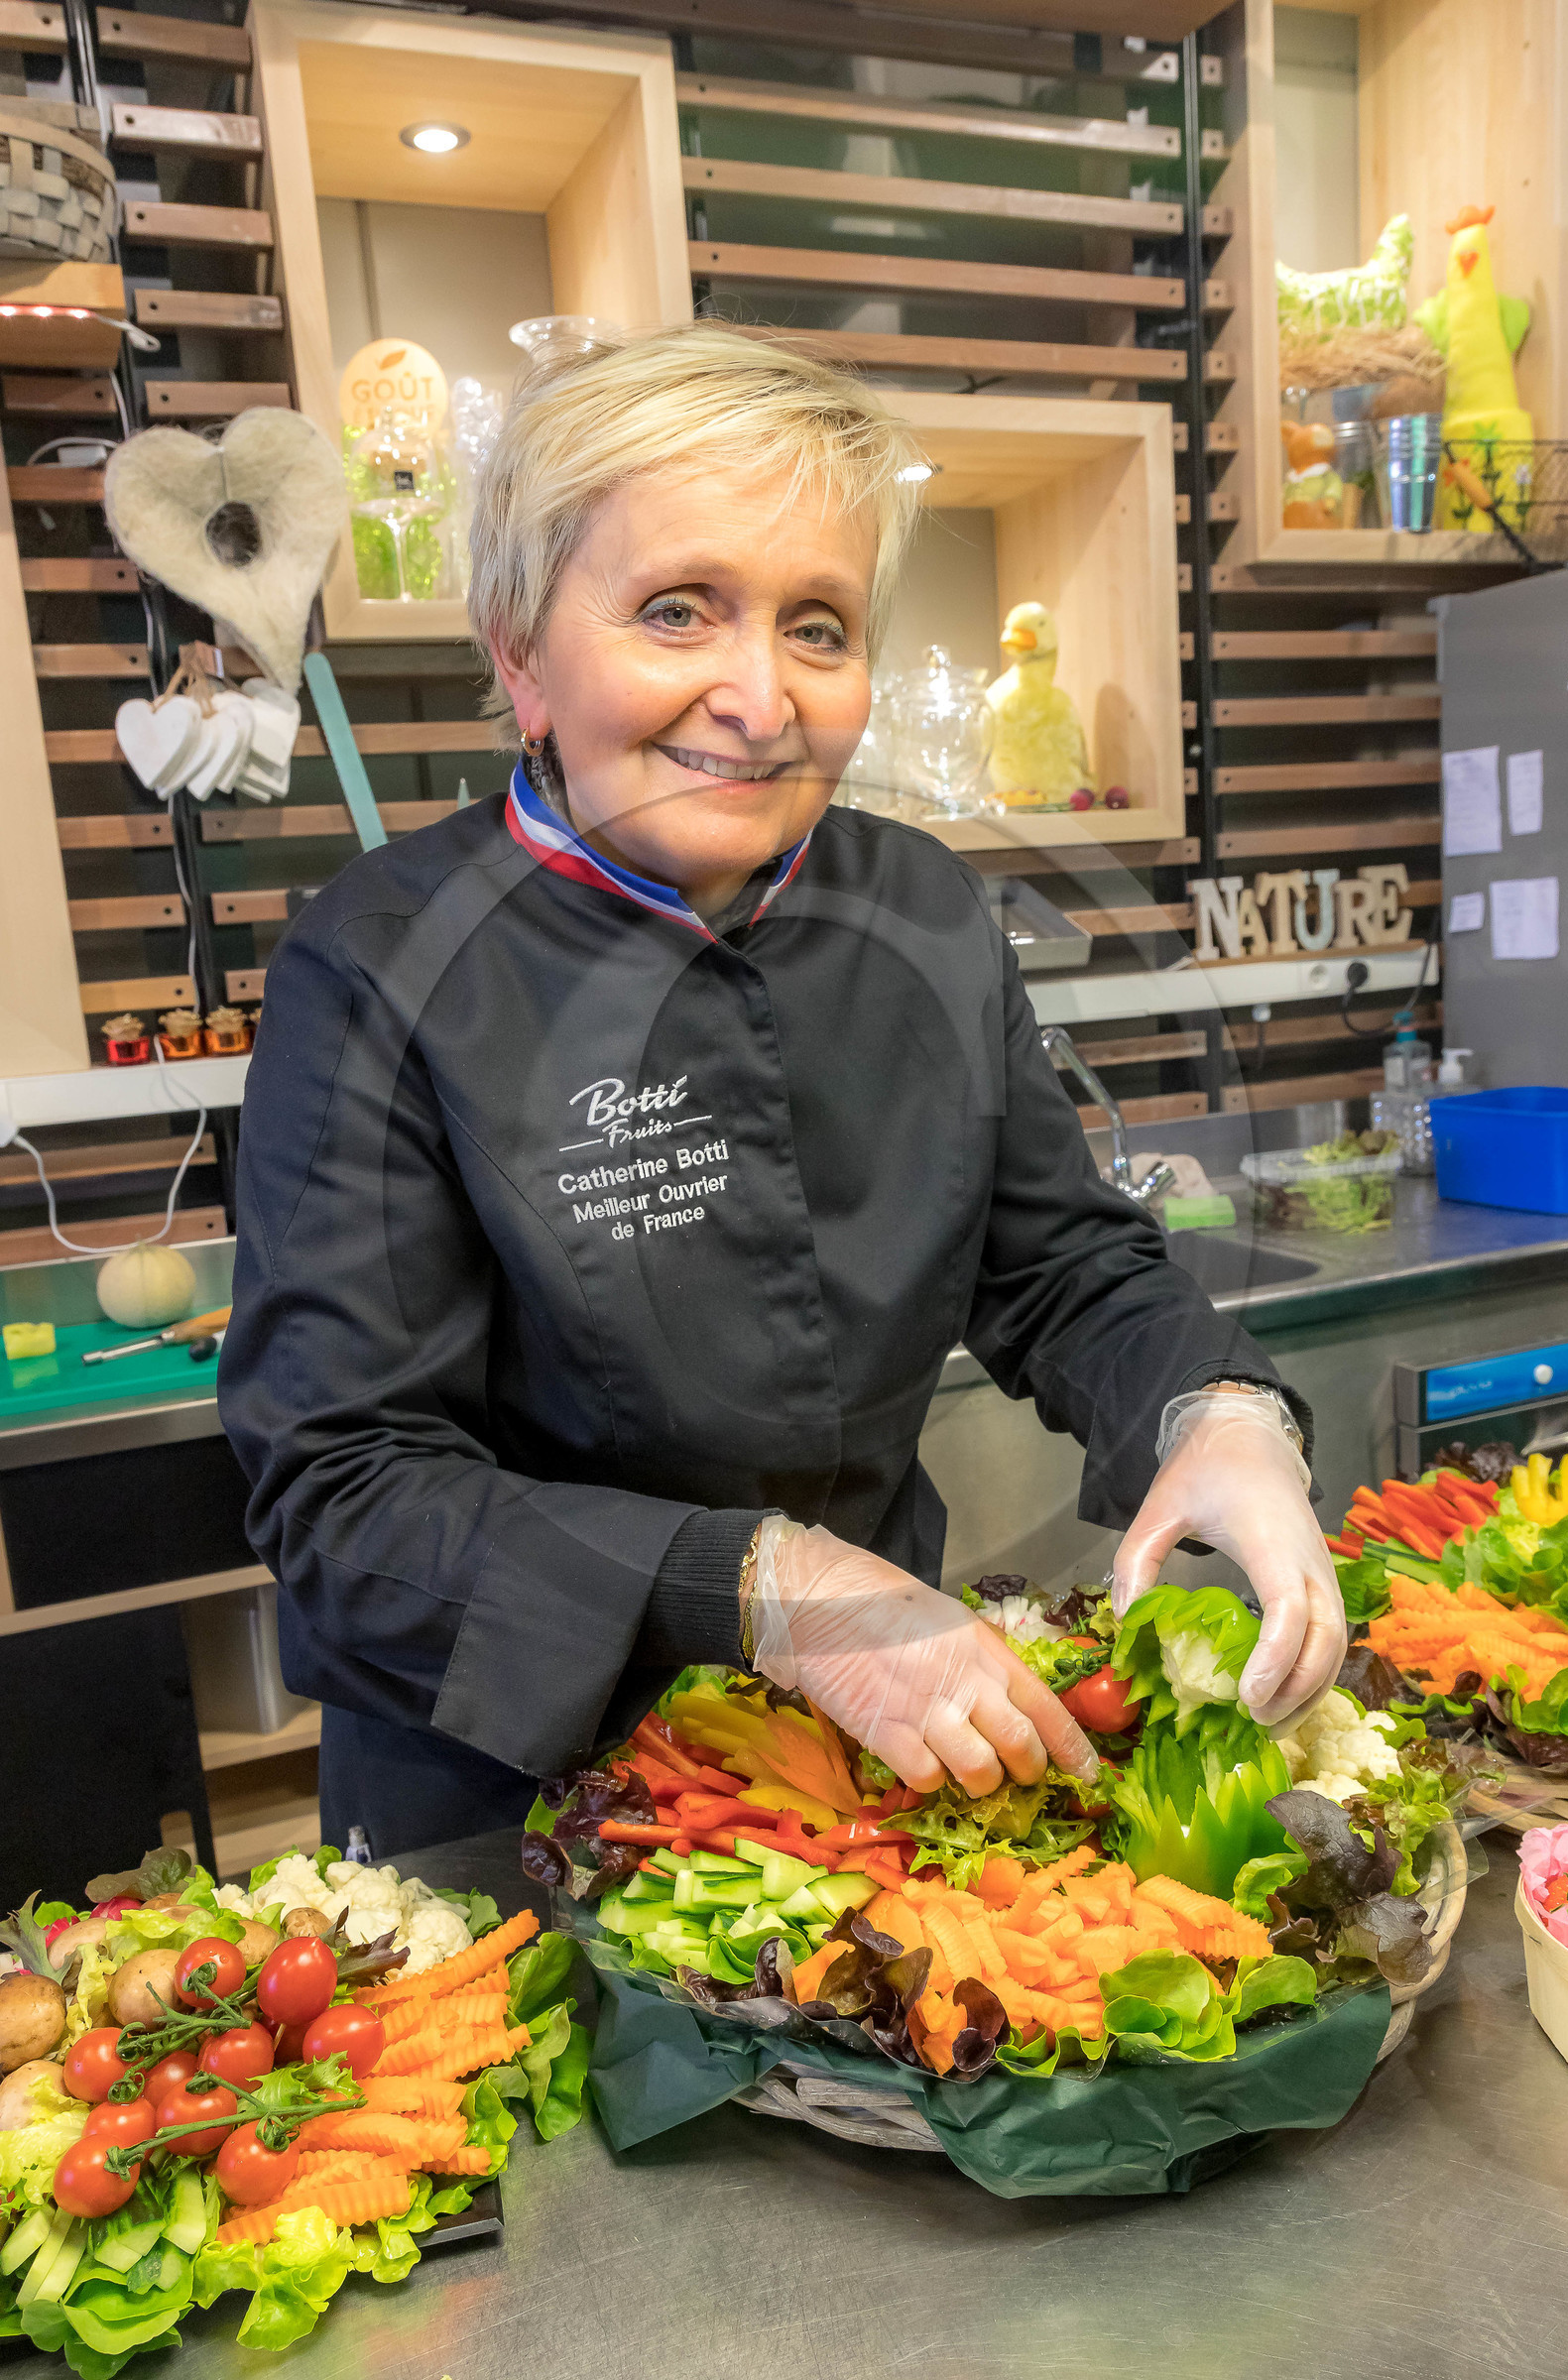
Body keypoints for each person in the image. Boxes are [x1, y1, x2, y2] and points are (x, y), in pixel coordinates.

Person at [218, 324, 1344, 1856]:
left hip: (896, 1759)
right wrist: (767, 1587)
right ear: (519, 650)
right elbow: (344, 1503)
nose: (761, 695)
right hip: (514, 1804)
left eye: (818, 627)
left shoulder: (928, 913)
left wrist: (1219, 1414)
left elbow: (1065, 1269)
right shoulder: (373, 968)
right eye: (679, 611)